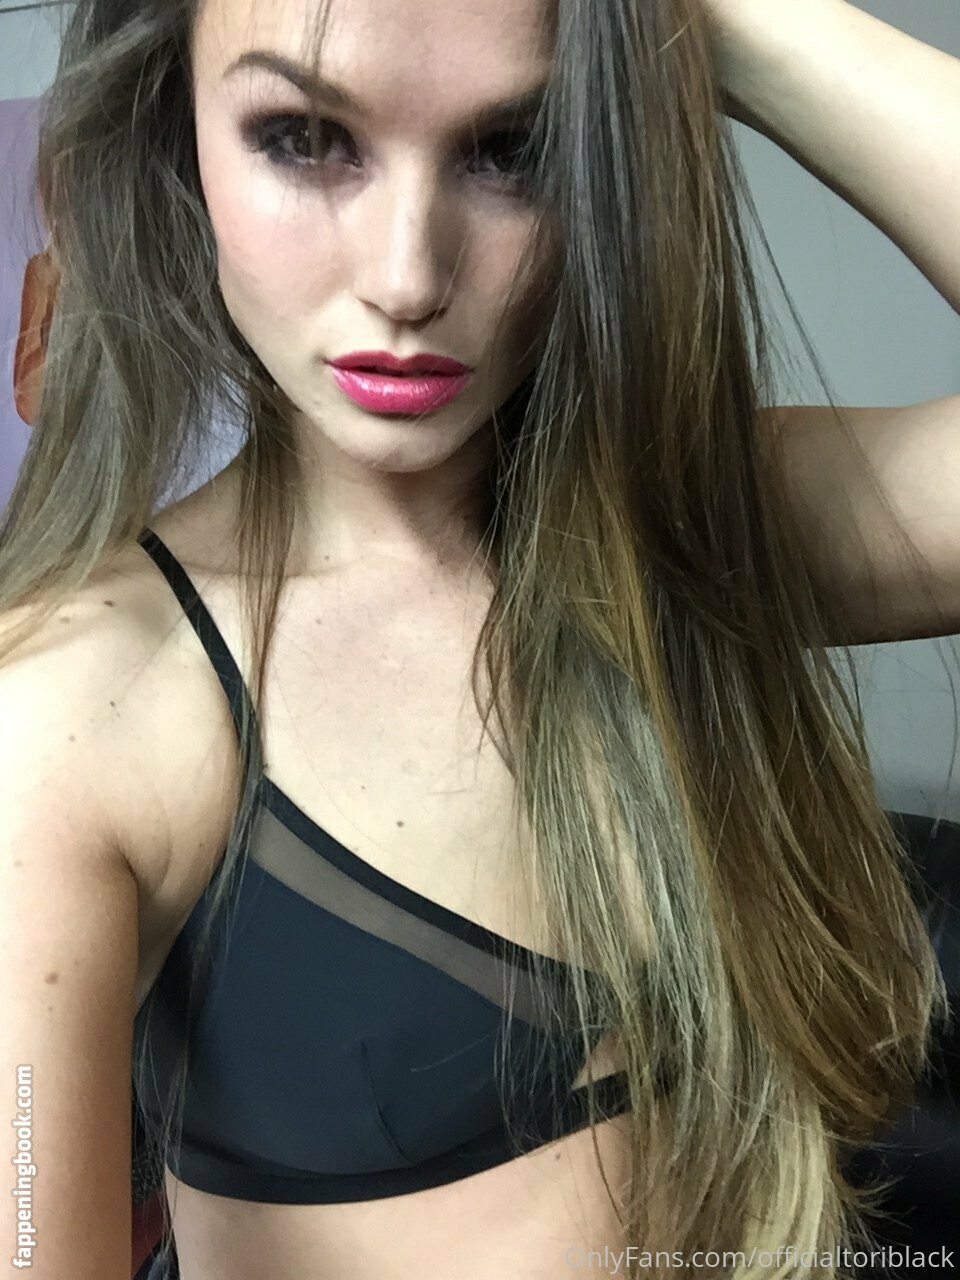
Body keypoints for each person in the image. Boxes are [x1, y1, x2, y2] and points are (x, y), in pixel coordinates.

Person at [2, 0, 958, 1277]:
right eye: (304, 137)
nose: (409, 275)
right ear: (177, 134)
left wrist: (708, 20)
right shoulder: (74, 709)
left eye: (515, 148)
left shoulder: (684, 531)